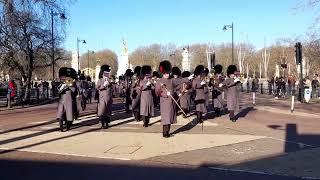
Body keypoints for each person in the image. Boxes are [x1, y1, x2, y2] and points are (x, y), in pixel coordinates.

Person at [155, 61, 194, 138]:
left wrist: (188, 78)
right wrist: (165, 94)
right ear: (163, 73)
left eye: (168, 73)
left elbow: (180, 80)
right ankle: (165, 133)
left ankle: (167, 132)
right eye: (166, 73)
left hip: (172, 102)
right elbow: (157, 92)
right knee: (166, 118)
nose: (167, 74)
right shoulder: (159, 81)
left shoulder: (172, 80)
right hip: (164, 102)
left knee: (169, 118)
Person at [56, 67, 78, 132]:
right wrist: (61, 88)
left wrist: (68, 86)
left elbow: (74, 90)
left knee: (69, 114)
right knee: (60, 113)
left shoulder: (71, 82)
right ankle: (61, 126)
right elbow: (58, 91)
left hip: (69, 99)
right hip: (62, 100)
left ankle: (68, 125)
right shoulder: (61, 83)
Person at [96, 65, 114, 129]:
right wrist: (103, 85)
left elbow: (112, 88)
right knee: (103, 111)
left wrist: (110, 82)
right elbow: (97, 87)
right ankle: (103, 123)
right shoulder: (100, 80)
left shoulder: (110, 80)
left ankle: (106, 123)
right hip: (102, 98)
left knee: (108, 111)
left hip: (108, 98)